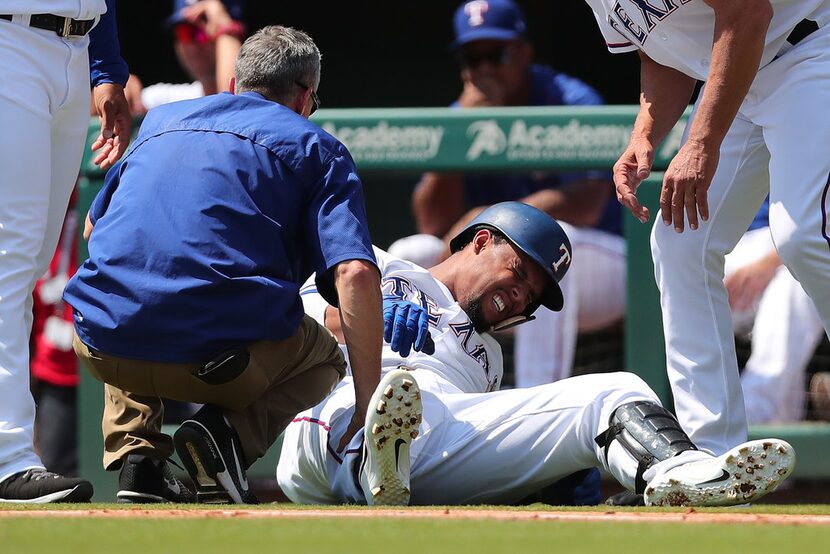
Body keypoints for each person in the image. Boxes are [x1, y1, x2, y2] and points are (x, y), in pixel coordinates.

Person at [277, 202, 795, 507]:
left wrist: (559, 470)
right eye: (520, 271)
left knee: (616, 389)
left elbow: (482, 444)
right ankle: (371, 456)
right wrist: (361, 314)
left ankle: (678, 476)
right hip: (339, 409)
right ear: (481, 242)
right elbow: (291, 329)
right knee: (391, 396)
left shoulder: (488, 358)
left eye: (534, 295)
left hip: (430, 433)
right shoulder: (375, 267)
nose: (522, 295)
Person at [64, 26, 388, 505]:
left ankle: (140, 463)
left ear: (234, 83)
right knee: (325, 357)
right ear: (305, 98)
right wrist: (368, 402)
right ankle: (225, 438)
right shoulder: (317, 146)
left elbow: (96, 229)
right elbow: (355, 273)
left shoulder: (159, 122)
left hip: (98, 346)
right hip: (218, 364)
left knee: (129, 286)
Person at [583, 0, 830, 455]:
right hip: (742, 73)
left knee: (806, 234)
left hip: (811, 48)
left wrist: (700, 143)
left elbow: (748, 13)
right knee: (680, 243)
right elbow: (662, 49)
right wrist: (644, 135)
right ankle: (708, 453)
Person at [389, 0, 625, 387]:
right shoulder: (461, 112)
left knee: (540, 262)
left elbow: (590, 201)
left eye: (494, 55)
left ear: (523, 52)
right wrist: (460, 127)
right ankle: (401, 382)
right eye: (471, 58)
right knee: (410, 250)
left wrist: (498, 218)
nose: (483, 70)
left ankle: (537, 414)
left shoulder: (567, 99)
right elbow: (432, 222)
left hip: (607, 265)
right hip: (502, 274)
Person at [0, 0, 130, 503]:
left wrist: (105, 66)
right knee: (10, 257)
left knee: (31, 261)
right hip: (10, 39)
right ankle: (9, 457)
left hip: (77, 50)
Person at [725, 199, 824, 424]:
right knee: (692, 277)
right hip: (737, 245)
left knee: (799, 279)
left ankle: (751, 415)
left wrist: (771, 261)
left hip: (804, 244)